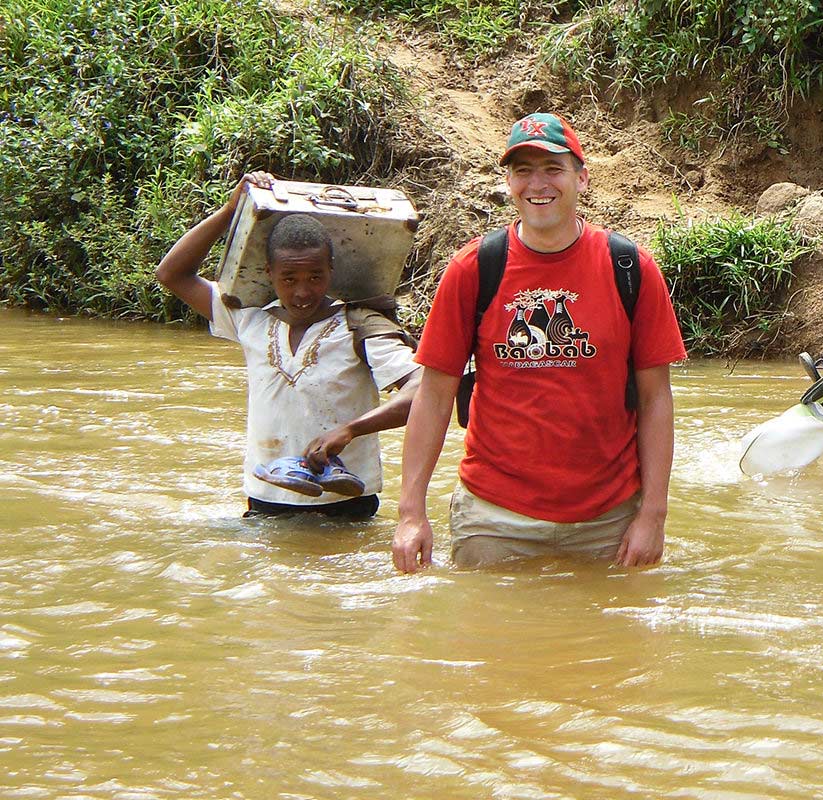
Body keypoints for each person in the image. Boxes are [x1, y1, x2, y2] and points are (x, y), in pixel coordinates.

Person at [391, 112, 686, 572]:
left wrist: (653, 514)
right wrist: (411, 513)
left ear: (581, 178)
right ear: (508, 182)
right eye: (523, 170)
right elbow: (434, 394)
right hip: (492, 517)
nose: (538, 184)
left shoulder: (630, 268)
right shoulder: (474, 269)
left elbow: (655, 399)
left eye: (553, 169)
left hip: (608, 519)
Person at [156, 172, 421, 519]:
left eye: (315, 277)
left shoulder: (359, 326)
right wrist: (232, 209)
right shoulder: (250, 320)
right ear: (269, 273)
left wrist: (351, 430)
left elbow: (421, 391)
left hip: (344, 506)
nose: (302, 292)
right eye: (289, 279)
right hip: (265, 500)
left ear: (331, 270)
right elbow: (171, 274)